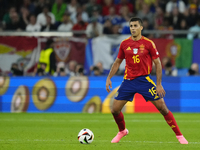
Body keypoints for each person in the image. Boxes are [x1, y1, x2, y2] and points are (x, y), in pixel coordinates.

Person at [105, 17, 188, 144]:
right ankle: (122, 131)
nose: (133, 28)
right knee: (114, 109)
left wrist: (159, 84)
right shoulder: (124, 44)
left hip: (144, 80)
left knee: (162, 108)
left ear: (141, 27)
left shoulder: (149, 43)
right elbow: (117, 62)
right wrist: (109, 78)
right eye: (131, 26)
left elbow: (158, 64)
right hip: (128, 81)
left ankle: (179, 135)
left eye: (135, 26)